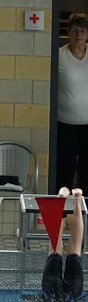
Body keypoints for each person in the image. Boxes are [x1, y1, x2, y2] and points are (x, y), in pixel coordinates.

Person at [40, 187, 84, 302]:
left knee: (75, 247)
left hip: (73, 292)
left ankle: (77, 200)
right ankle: (64, 200)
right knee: (55, 246)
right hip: (52, 294)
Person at [56, 13, 88, 191]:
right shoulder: (59, 56)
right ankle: (63, 209)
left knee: (86, 169)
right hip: (65, 123)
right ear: (68, 33)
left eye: (83, 31)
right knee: (65, 167)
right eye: (75, 31)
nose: (79, 35)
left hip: (87, 124)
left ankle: (85, 212)